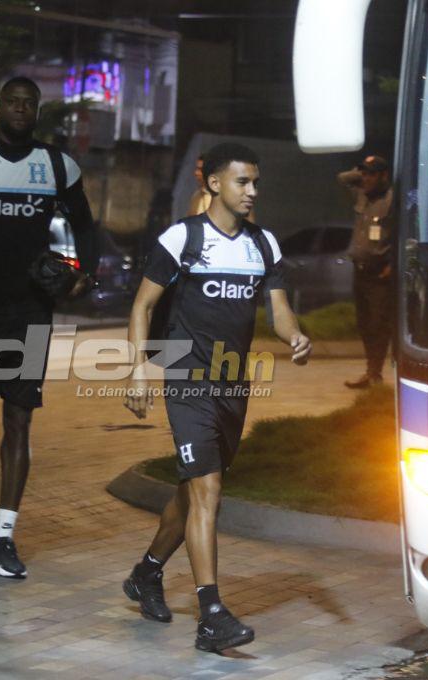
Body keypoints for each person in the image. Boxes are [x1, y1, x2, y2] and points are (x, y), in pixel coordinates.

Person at [123, 143, 311, 652]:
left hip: (233, 387)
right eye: (242, 182)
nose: (252, 192)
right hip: (187, 382)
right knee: (208, 493)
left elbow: (278, 309)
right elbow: (142, 306)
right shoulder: (181, 239)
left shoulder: (263, 244)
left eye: (255, 183)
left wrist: (293, 335)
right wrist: (139, 368)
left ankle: (147, 573)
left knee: (190, 494)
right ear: (213, 185)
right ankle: (212, 615)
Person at [0, 76, 97, 579]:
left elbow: (85, 225)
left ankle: (3, 538)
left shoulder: (56, 165)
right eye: (13, 102)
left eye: (30, 104)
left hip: (29, 312)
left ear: (37, 111)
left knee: (20, 420)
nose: (21, 110)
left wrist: (81, 275)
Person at [337, 155, 395, 389]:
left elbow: (403, 235)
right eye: (365, 174)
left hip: (380, 273)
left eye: (372, 174)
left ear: (383, 176)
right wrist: (360, 171)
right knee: (364, 324)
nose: (366, 178)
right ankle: (370, 372)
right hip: (359, 271)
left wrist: (393, 265)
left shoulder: (392, 200)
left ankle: (376, 374)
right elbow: (342, 178)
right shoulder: (362, 193)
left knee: (378, 325)